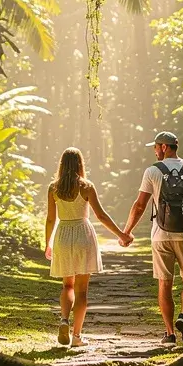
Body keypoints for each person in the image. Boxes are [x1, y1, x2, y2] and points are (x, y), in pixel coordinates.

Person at [120, 131, 183, 345]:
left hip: (160, 236)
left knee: (164, 283)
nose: (154, 151)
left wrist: (126, 232)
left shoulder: (153, 171)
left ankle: (170, 333)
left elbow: (140, 205)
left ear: (164, 147)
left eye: (155, 147)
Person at [44, 147, 132, 347]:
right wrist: (122, 235)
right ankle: (76, 337)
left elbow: (50, 219)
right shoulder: (87, 186)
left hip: (63, 235)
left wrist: (47, 243)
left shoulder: (53, 188)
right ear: (80, 164)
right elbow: (101, 216)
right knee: (82, 291)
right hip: (83, 234)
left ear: (62, 164)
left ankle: (64, 320)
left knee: (67, 286)